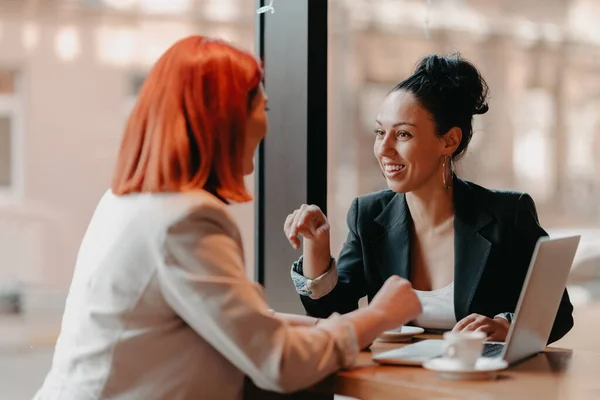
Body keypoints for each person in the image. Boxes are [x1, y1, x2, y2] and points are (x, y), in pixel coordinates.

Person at [33, 36, 422, 400]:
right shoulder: (185, 220)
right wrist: (379, 315)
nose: (266, 124)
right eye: (261, 108)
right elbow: (279, 362)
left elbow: (239, 320)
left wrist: (329, 327)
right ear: (225, 118)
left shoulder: (127, 202)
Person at [285, 53, 573, 344]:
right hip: (396, 383)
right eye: (380, 132)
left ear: (449, 141)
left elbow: (558, 313)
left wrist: (507, 326)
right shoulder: (368, 215)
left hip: (479, 385)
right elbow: (333, 315)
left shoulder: (508, 215)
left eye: (403, 135)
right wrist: (316, 247)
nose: (384, 149)